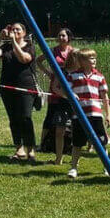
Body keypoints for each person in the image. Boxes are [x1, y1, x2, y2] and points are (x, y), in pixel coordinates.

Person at [0, 23, 39, 163]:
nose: (14, 31)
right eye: (12, 29)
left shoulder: (29, 46)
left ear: (24, 32)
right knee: (13, 118)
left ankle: (30, 150)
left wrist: (13, 41)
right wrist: (0, 39)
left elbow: (24, 59)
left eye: (17, 29)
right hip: (7, 87)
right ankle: (19, 148)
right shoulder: (6, 47)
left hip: (26, 87)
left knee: (26, 117)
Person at [66, 49, 110, 179]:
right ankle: (73, 167)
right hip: (79, 114)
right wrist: (71, 94)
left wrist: (108, 114)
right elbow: (66, 88)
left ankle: (107, 167)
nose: (94, 60)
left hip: (96, 114)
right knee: (78, 143)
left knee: (101, 142)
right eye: (91, 58)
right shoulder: (73, 75)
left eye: (94, 58)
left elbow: (104, 96)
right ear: (82, 61)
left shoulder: (99, 76)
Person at [39, 28, 74, 165]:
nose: (61, 38)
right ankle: (43, 143)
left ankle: (71, 146)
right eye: (59, 35)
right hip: (56, 86)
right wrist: (49, 73)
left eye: (63, 35)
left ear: (68, 37)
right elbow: (38, 61)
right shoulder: (52, 51)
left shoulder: (73, 52)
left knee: (72, 119)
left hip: (70, 86)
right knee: (50, 115)